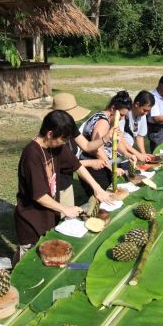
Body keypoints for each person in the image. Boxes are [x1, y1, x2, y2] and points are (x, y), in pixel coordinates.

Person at [14, 110, 116, 262]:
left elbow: (77, 166)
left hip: (48, 218)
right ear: (49, 134)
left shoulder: (55, 147)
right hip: (31, 221)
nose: (64, 142)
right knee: (28, 261)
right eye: (63, 139)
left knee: (48, 258)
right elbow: (40, 196)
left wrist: (98, 188)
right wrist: (65, 209)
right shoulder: (32, 155)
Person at [46, 92, 117, 207]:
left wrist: (105, 138)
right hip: (54, 185)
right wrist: (89, 163)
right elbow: (59, 164)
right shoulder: (54, 138)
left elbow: (87, 146)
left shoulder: (70, 126)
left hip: (67, 182)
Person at [78, 91, 132, 192]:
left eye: (125, 115)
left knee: (124, 163)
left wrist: (127, 154)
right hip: (94, 166)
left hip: (104, 161)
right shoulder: (103, 122)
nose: (122, 118)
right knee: (105, 196)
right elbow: (97, 150)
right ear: (112, 108)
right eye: (121, 114)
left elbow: (115, 142)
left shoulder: (110, 119)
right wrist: (112, 167)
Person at [118, 91, 157, 163]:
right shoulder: (124, 113)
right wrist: (138, 154)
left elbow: (139, 137)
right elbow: (120, 139)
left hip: (126, 154)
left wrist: (144, 155)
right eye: (145, 110)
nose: (146, 113)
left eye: (148, 111)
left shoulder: (142, 115)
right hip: (116, 151)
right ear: (137, 104)